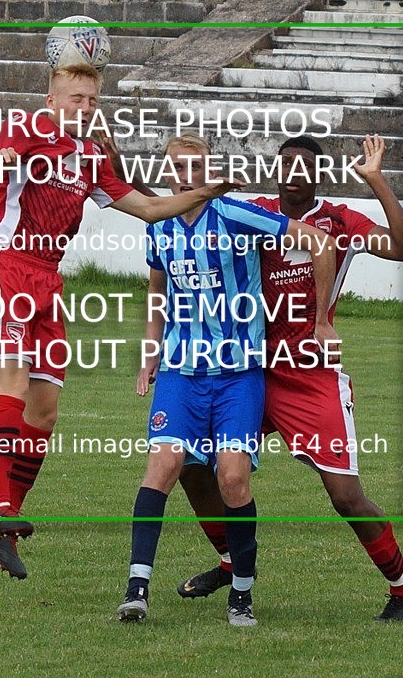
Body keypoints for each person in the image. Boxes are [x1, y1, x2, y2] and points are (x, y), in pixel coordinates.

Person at [0, 65, 243, 580]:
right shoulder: (27, 128)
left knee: (45, 411)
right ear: (51, 98)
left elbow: (148, 207)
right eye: (76, 98)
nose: (85, 107)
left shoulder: (92, 157)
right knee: (12, 383)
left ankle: (8, 517)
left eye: (92, 100)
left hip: (48, 281)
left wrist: (206, 193)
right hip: (6, 267)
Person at [176, 134, 403, 622]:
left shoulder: (341, 222)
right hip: (248, 370)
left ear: (318, 175)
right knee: (189, 462)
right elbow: (185, 214)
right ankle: (231, 561)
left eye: (303, 165)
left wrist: (376, 181)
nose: (293, 171)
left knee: (345, 495)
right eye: (285, 162)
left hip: (311, 376)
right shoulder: (255, 213)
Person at [117, 134, 338, 626]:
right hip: (179, 371)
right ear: (169, 171)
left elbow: (318, 242)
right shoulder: (160, 225)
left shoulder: (238, 215)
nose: (188, 173)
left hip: (238, 374)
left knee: (233, 478)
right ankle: (136, 590)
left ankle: (241, 592)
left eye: (197, 165)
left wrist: (322, 318)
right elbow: (157, 291)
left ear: (208, 169)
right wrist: (150, 352)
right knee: (162, 468)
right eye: (179, 165)